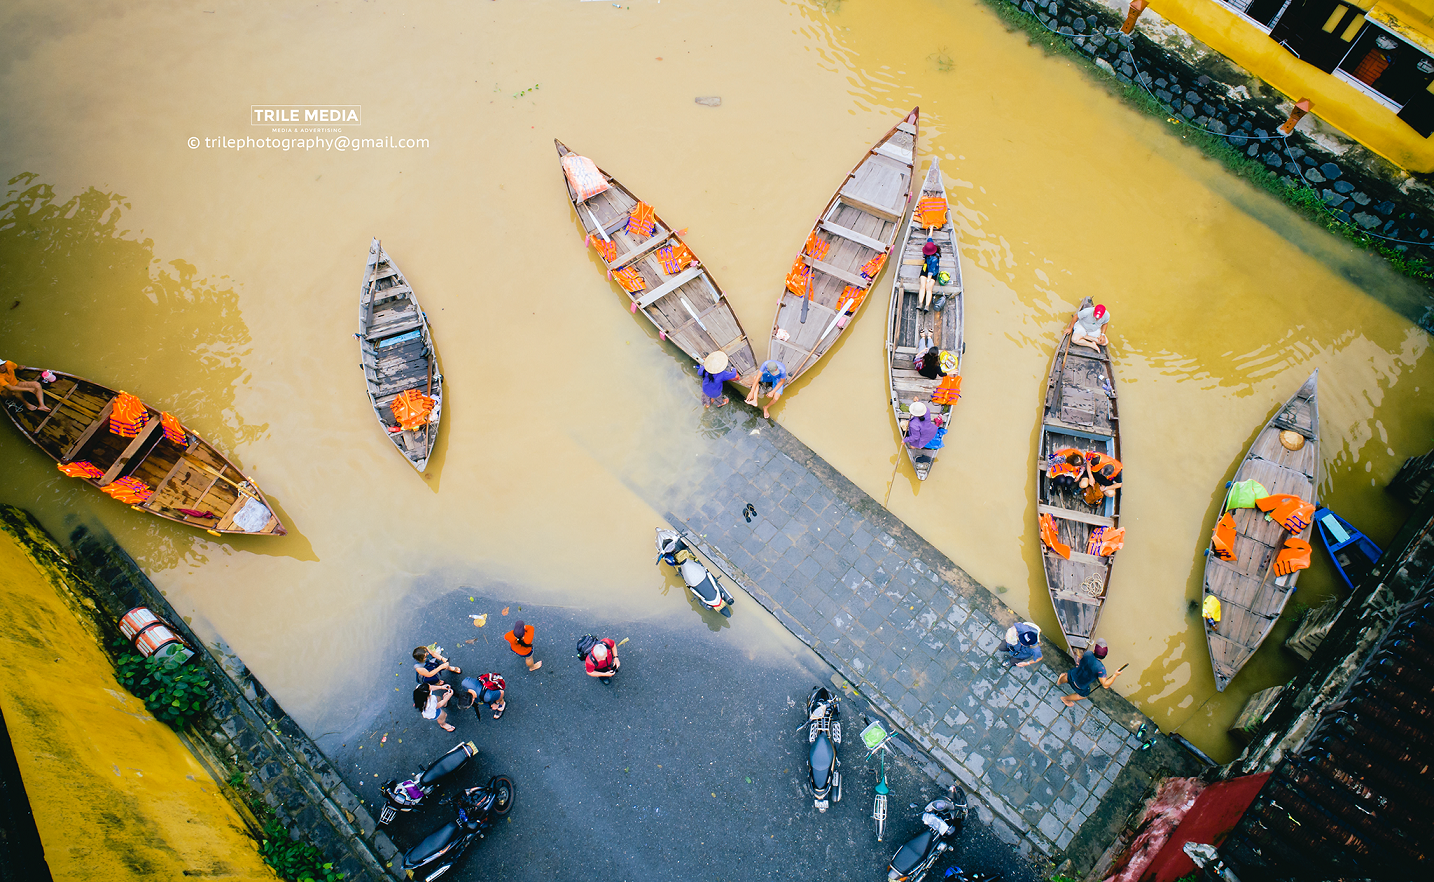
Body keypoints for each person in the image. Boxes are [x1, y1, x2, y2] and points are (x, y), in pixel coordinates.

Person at [1057, 639, 1121, 706]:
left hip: (1072, 674)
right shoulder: (1101, 669)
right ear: (1106, 655)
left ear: (1094, 650)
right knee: (1083, 695)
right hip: (1080, 686)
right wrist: (1115, 675)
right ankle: (1065, 699)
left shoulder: (1088, 653)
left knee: (1067, 676)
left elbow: (1079, 654)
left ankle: (1060, 681)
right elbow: (1105, 685)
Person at [917, 238, 940, 311]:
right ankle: (920, 303)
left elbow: (931, 271)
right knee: (922, 285)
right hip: (926, 268)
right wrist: (931, 228)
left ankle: (927, 305)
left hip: (933, 272)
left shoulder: (934, 259)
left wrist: (928, 279)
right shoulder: (931, 245)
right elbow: (929, 238)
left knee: (929, 288)